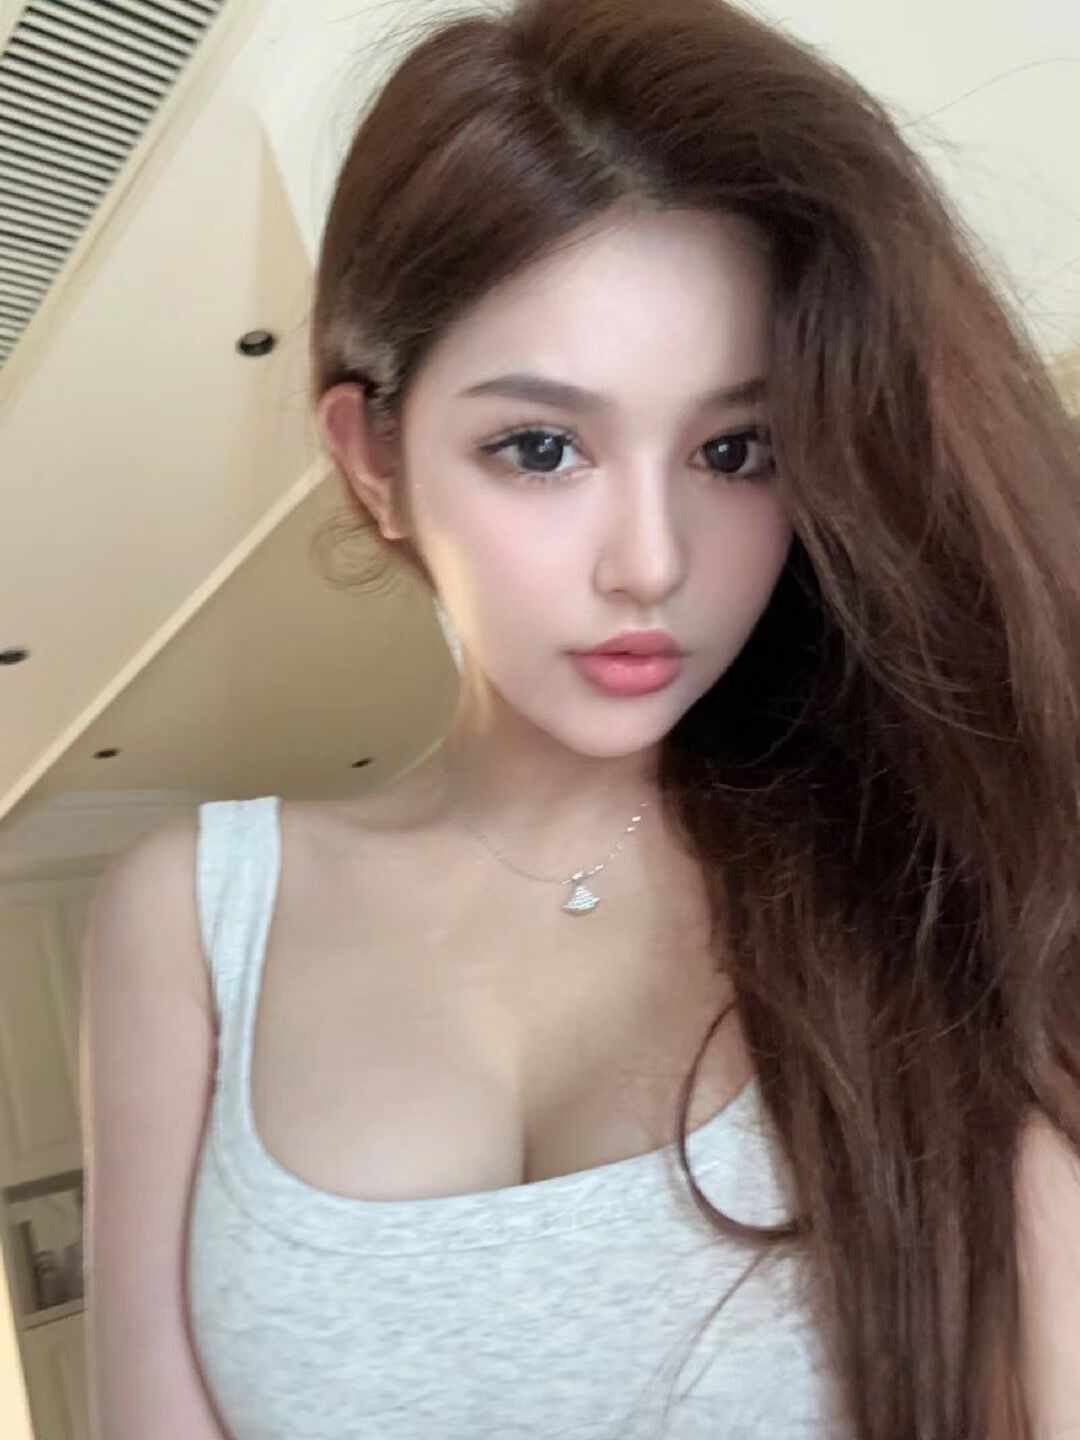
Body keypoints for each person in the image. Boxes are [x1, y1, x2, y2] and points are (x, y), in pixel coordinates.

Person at [79, 0, 1080, 1436]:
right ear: (373, 462)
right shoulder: (193, 921)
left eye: (735, 450)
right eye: (542, 447)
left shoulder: (941, 888)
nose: (652, 563)